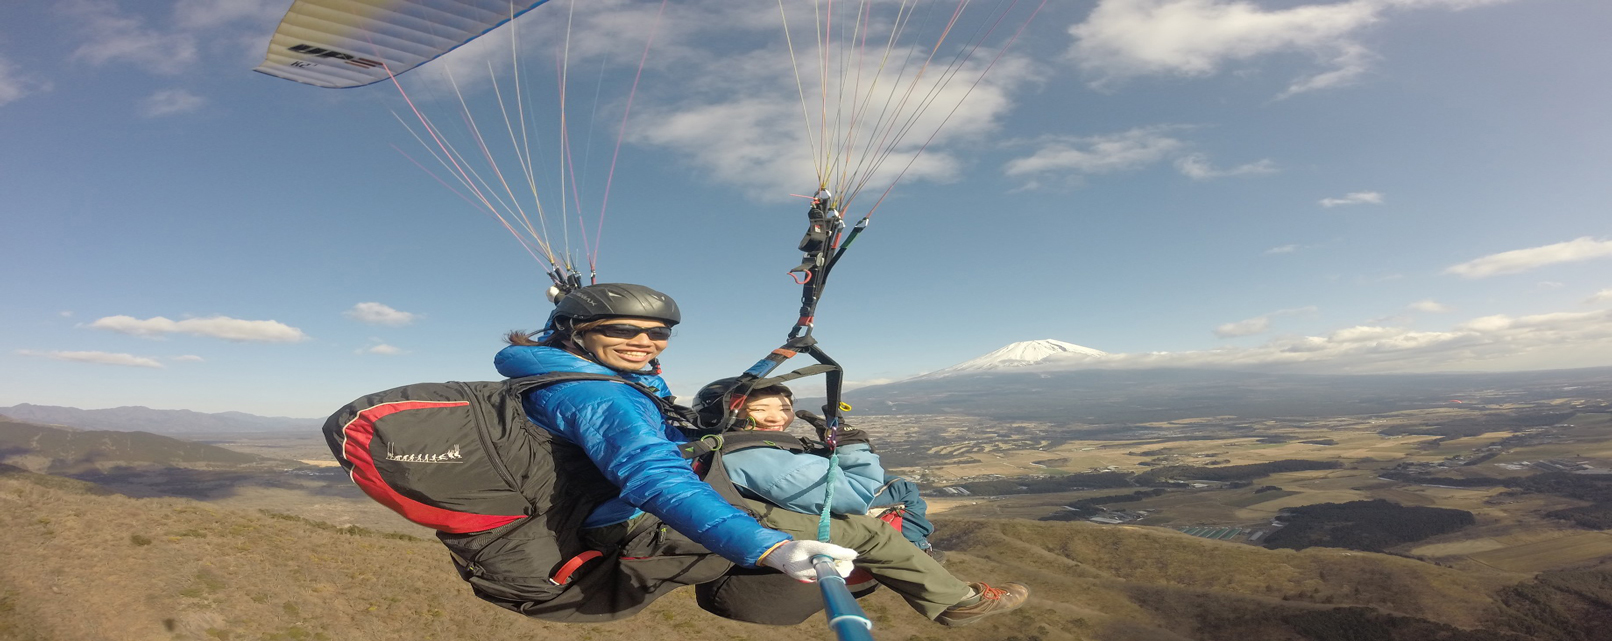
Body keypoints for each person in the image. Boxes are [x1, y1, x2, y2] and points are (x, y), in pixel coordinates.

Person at [494, 282, 1029, 626]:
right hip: (640, 515)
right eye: (622, 329)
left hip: (626, 504)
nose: (645, 341)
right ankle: (954, 603)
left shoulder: (573, 373)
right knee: (867, 530)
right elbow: (655, 479)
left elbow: (649, 417)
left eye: (658, 333)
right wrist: (767, 548)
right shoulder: (598, 394)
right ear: (574, 331)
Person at [700, 379, 940, 557]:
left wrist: (828, 449)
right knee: (903, 489)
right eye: (760, 409)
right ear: (726, 415)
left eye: (785, 409)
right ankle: (918, 551)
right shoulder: (750, 456)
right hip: (810, 514)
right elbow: (860, 493)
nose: (777, 418)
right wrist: (852, 446)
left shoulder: (726, 445)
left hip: (783, 507)